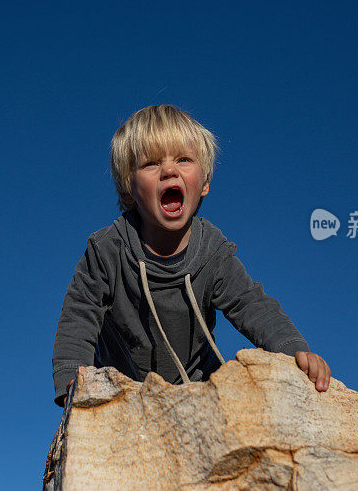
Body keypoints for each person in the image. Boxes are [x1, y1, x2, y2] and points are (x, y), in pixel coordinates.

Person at [52, 105, 330, 407]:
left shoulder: (213, 252)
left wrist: (294, 351)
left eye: (184, 160)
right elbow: (79, 314)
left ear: (205, 183)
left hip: (195, 387)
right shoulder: (106, 250)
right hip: (125, 389)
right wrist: (72, 376)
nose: (169, 171)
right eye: (151, 164)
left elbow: (253, 305)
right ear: (127, 191)